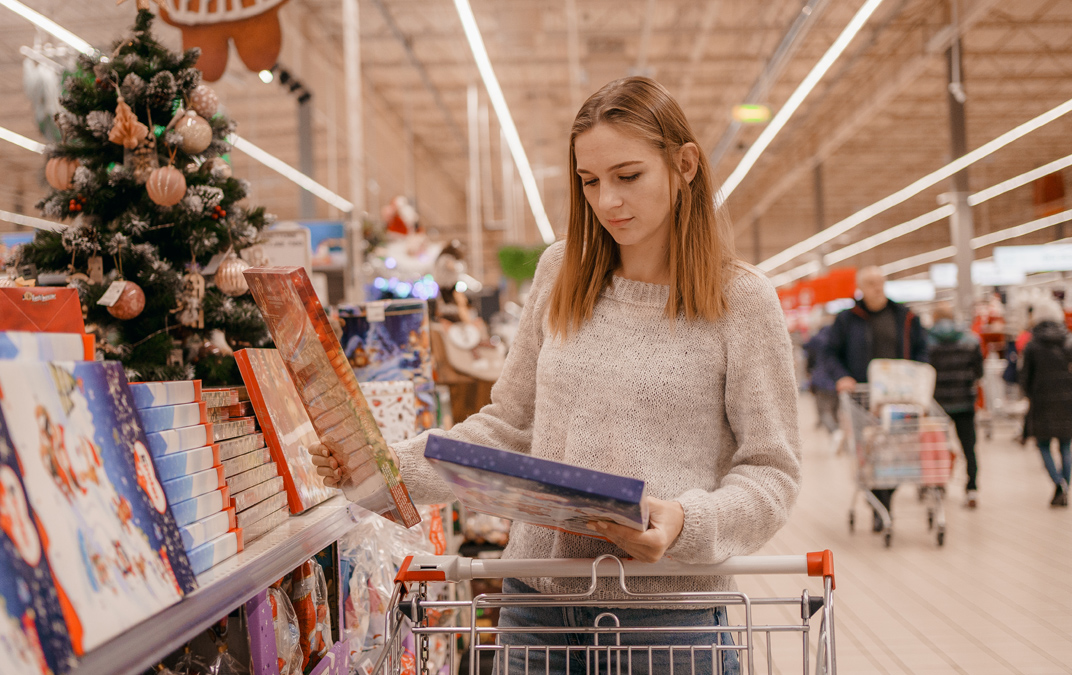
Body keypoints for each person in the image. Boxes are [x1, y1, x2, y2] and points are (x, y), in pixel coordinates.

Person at [311, 76, 801, 675]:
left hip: (667, 621)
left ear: (685, 164)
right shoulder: (560, 273)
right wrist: (385, 469)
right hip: (535, 611)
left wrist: (686, 521)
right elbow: (509, 429)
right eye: (589, 182)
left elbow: (771, 473)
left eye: (628, 176)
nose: (607, 201)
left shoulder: (741, 301)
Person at [822, 266, 927, 530]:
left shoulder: (905, 316)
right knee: (868, 453)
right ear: (860, 288)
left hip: (900, 399)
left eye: (880, 282)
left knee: (899, 451)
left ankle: (885, 500)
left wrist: (919, 378)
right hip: (862, 399)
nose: (877, 288)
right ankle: (878, 503)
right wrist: (842, 377)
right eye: (870, 283)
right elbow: (829, 355)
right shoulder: (847, 320)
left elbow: (922, 351)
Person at [927, 302, 984, 508]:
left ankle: (938, 485)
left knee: (938, 447)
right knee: (969, 447)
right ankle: (972, 489)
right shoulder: (971, 339)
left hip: (937, 404)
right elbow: (979, 371)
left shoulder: (927, 342)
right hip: (965, 402)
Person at [1018, 298, 1072, 507]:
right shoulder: (1068, 341)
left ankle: (1057, 484)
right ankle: (1065, 483)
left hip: (1041, 402)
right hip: (1067, 401)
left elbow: (1025, 377)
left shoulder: (1032, 345)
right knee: (1066, 446)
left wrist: (1030, 395)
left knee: (1043, 444)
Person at [804, 310, 842, 452]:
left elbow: (810, 360)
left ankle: (835, 432)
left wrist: (809, 373)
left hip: (821, 380)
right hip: (837, 380)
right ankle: (837, 432)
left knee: (823, 412)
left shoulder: (816, 338)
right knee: (835, 411)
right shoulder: (839, 338)